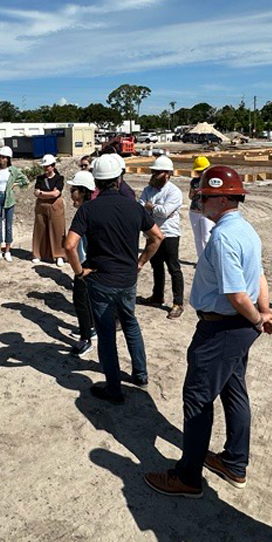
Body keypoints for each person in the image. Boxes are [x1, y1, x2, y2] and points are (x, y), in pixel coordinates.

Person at [144, 166, 272, 498]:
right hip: (237, 328)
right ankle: (234, 462)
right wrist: (262, 311)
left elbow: (236, 294)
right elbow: (259, 276)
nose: (199, 202)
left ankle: (188, 477)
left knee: (197, 398)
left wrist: (256, 318)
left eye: (204, 197)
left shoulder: (222, 236)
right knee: (234, 392)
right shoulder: (246, 229)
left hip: (222, 328)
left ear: (221, 199)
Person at [64, 154, 164, 403]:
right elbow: (157, 237)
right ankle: (140, 374)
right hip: (127, 279)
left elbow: (69, 245)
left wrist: (79, 272)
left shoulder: (88, 209)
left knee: (106, 333)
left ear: (96, 182)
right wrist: (140, 262)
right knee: (131, 324)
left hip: (100, 279)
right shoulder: (134, 207)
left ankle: (114, 389)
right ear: (119, 179)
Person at [138, 155, 185, 319]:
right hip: (152, 232)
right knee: (156, 266)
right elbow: (140, 207)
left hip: (169, 234)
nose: (153, 175)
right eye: (153, 172)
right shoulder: (148, 190)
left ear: (167, 174)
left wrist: (150, 207)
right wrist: (153, 208)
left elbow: (165, 211)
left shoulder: (174, 191)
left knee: (173, 268)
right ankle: (157, 295)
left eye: (157, 172)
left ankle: (178, 302)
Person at [65, 170, 96, 356]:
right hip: (91, 263)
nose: (71, 194)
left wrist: (79, 271)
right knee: (89, 300)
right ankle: (91, 328)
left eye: (73, 190)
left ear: (83, 191)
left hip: (86, 264)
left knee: (80, 301)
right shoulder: (94, 209)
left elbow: (71, 245)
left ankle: (86, 339)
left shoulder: (85, 212)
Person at [31, 154, 67, 266]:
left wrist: (42, 193)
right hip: (41, 206)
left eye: (48, 166)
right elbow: (36, 192)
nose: (45, 169)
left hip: (55, 206)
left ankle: (59, 255)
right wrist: (47, 194)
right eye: (44, 166)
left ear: (53, 166)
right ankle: (39, 253)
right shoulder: (40, 178)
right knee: (40, 229)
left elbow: (56, 193)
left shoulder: (59, 178)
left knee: (57, 229)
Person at [187, 156, 214, 260]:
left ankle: (209, 259)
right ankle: (201, 260)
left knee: (206, 237)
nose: (200, 173)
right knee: (198, 238)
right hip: (194, 211)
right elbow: (190, 196)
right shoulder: (194, 181)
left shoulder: (211, 181)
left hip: (206, 212)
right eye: (198, 171)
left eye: (202, 171)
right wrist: (194, 193)